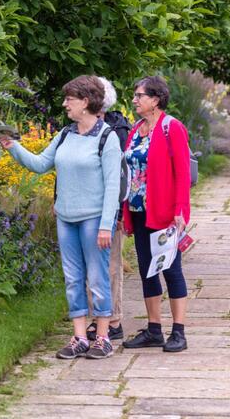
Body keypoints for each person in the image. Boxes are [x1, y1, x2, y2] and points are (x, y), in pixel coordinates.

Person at [0, 75, 121, 360]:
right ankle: (79, 338)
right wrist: (12, 146)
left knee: (97, 278)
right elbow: (41, 164)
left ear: (86, 102)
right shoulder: (65, 134)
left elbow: (113, 186)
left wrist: (106, 225)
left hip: (94, 220)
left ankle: (103, 338)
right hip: (66, 218)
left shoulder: (107, 137)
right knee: (73, 278)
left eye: (70, 99)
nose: (65, 104)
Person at [121, 76, 190, 353]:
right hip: (139, 211)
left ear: (155, 99)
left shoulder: (171, 127)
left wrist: (180, 211)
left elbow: (183, 173)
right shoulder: (135, 129)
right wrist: (125, 212)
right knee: (146, 269)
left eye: (139, 95)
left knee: (171, 269)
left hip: (164, 212)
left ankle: (179, 332)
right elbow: (129, 172)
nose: (135, 100)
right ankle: (154, 330)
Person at [86, 77, 131, 342]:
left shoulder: (117, 130)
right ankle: (97, 318)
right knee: (90, 266)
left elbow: (123, 177)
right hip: (85, 207)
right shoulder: (79, 128)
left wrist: (121, 213)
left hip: (111, 208)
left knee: (111, 264)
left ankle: (113, 320)